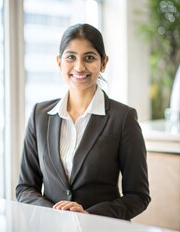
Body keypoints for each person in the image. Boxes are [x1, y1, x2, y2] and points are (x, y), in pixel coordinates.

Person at [16, 23, 151, 220]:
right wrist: (56, 214)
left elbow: (138, 196)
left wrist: (88, 215)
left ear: (103, 63)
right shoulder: (40, 115)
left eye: (89, 57)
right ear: (59, 62)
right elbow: (25, 188)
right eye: (71, 57)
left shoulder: (123, 118)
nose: (79, 66)